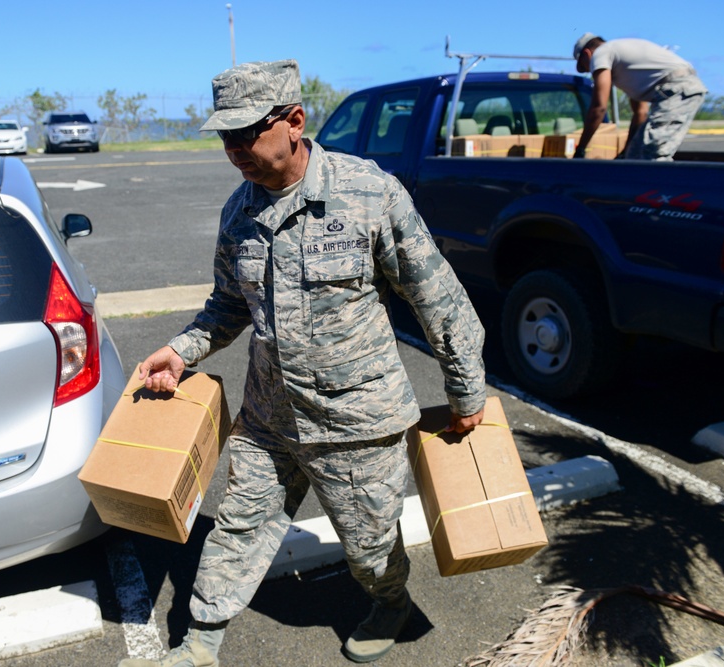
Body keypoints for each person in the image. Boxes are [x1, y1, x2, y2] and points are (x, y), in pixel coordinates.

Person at [119, 58, 487, 667]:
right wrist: (181, 350)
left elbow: (438, 297)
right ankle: (200, 643)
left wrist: (466, 389)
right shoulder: (239, 213)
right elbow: (226, 307)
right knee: (236, 528)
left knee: (370, 551)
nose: (233, 149)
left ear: (294, 121)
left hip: (357, 423)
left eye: (246, 133)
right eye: (224, 137)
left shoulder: (369, 193)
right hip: (270, 419)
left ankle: (390, 602)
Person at [573, 33, 707, 161]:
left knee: (654, 152)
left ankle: (664, 184)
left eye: (585, 67)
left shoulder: (601, 53)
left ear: (587, 54)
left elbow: (599, 108)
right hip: (677, 88)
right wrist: (626, 152)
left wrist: (581, 149)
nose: (590, 71)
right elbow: (640, 112)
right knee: (634, 155)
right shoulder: (624, 61)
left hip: (677, 89)